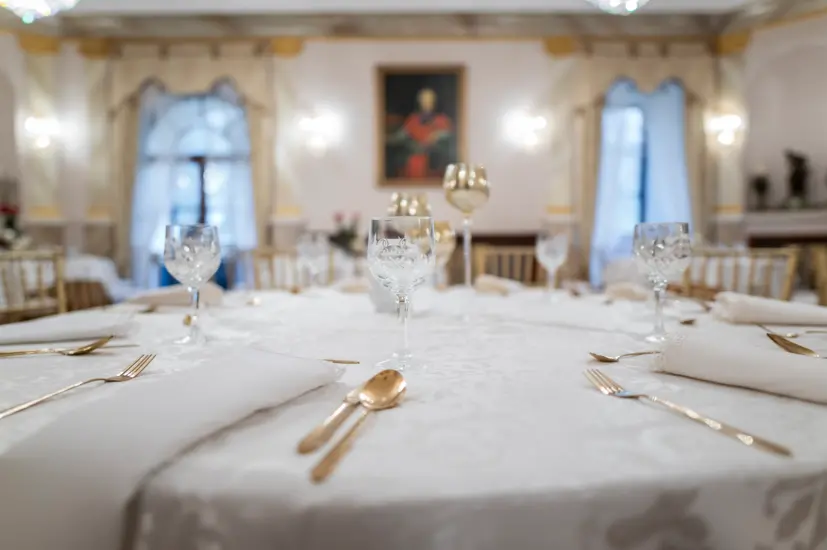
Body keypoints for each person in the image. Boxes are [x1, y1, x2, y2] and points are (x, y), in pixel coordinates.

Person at [387, 88, 453, 179]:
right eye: (424, 100)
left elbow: (449, 135)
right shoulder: (413, 119)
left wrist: (437, 135)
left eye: (429, 100)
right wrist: (384, 138)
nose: (427, 103)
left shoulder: (442, 120)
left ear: (434, 102)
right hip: (414, 164)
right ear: (419, 102)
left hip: (434, 166)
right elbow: (400, 136)